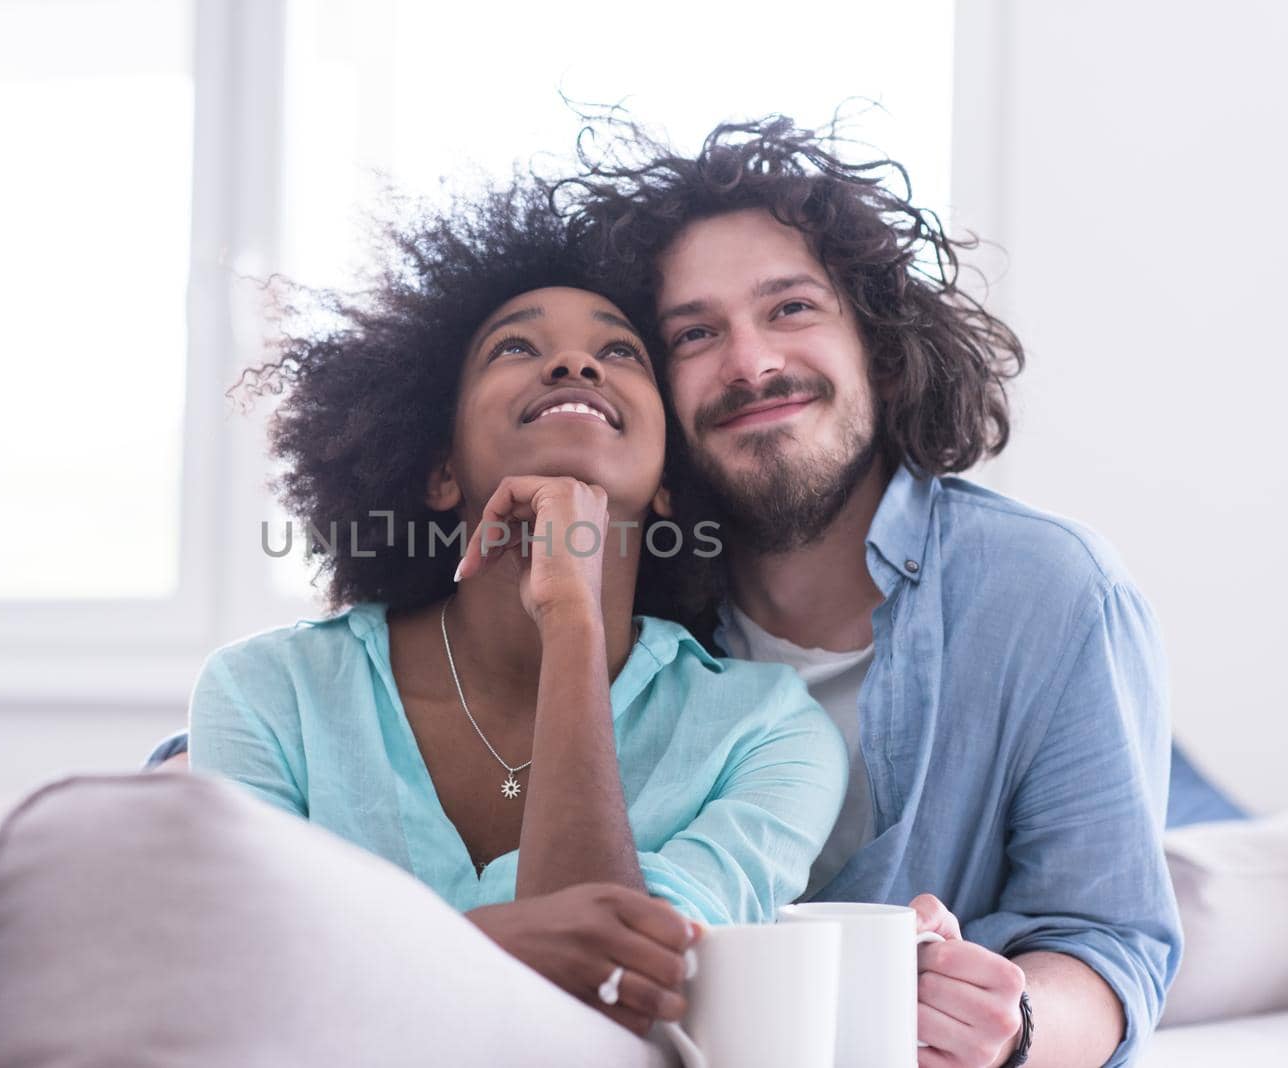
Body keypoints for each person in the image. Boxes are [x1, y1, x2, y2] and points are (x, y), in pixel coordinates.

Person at [554, 116, 1181, 1068]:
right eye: (694, 333)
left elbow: (1114, 941)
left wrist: (1013, 1028)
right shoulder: (624, 618)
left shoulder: (1051, 594)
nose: (751, 363)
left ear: (881, 348)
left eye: (792, 308)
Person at [186, 183, 847, 1038]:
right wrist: (491, 943)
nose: (576, 367)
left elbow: (610, 1000)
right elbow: (233, 994)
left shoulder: (767, 734)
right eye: (515, 348)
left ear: (672, 486)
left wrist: (571, 618)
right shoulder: (268, 693)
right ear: (441, 471)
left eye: (621, 352)